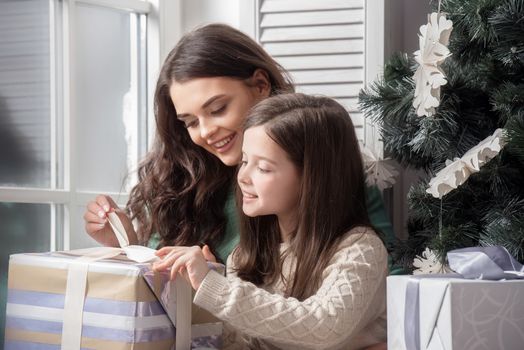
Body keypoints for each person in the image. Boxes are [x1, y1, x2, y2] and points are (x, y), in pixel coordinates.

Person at [83, 23, 394, 264]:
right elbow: (157, 290)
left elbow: (384, 278)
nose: (205, 131)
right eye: (190, 122)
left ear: (260, 85)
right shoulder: (180, 180)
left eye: (217, 109)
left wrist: (216, 283)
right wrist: (127, 244)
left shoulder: (326, 163)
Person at [153, 93, 388, 350]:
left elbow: (323, 326)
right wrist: (211, 283)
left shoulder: (360, 250)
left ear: (312, 178)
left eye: (263, 168)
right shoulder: (245, 255)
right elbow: (240, 344)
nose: (243, 177)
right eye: (244, 161)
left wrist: (217, 289)